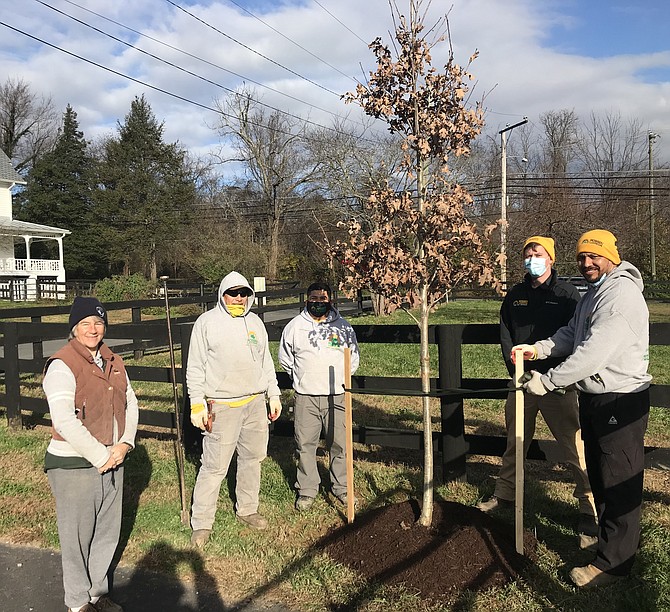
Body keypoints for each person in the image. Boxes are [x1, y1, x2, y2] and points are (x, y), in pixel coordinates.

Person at [515, 229, 651, 588]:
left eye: (594, 256)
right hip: (597, 398)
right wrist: (539, 349)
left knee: (618, 481)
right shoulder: (595, 293)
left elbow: (592, 353)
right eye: (582, 257)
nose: (587, 262)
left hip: (619, 400)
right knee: (604, 476)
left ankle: (614, 566)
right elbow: (571, 334)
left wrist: (547, 381)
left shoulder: (620, 295)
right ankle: (609, 552)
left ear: (611, 256)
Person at [478, 236, 597, 537]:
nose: (532, 257)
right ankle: (505, 494)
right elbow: (506, 332)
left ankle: (589, 508)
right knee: (515, 441)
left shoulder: (568, 294)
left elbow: (576, 338)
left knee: (574, 446)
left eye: (538, 253)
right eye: (528, 253)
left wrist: (559, 377)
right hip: (521, 381)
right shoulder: (516, 295)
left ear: (551, 258)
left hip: (557, 385)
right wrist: (515, 368)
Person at [43, 297, 139, 612]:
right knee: (77, 537)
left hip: (114, 457)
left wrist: (124, 444)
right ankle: (77, 602)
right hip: (74, 463)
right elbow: (64, 420)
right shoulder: (61, 364)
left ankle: (97, 593)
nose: (93, 329)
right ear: (74, 328)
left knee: (106, 532)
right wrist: (102, 456)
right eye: (85, 323)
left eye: (98, 323)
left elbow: (131, 403)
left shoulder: (113, 360)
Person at [187, 271, 282, 547]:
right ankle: (202, 523)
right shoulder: (206, 323)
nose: (239, 298)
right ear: (222, 295)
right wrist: (197, 403)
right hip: (223, 405)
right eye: (233, 293)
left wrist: (272, 394)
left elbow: (266, 362)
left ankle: (247, 508)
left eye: (244, 293)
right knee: (214, 467)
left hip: (254, 404)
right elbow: (195, 367)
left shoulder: (255, 323)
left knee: (253, 459)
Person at [278, 282, 360, 511]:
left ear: (330, 301)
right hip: (307, 397)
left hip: (337, 396)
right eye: (313, 298)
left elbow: (353, 358)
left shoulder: (343, 327)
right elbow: (285, 358)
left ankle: (342, 488)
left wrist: (342, 381)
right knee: (305, 445)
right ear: (307, 300)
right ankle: (307, 490)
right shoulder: (295, 327)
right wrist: (301, 377)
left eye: (322, 299)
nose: (318, 303)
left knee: (339, 445)